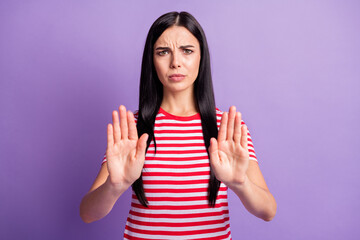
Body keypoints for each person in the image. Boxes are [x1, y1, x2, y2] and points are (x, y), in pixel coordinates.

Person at [80, 11, 277, 239]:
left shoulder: (227, 128)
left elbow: (268, 211)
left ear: (201, 57)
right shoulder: (132, 129)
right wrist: (115, 186)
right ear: (151, 60)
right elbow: (88, 214)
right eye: (163, 52)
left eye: (187, 51)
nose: (175, 62)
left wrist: (240, 183)